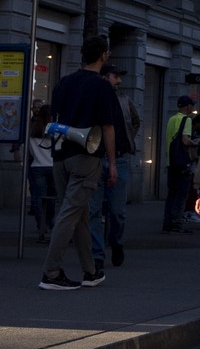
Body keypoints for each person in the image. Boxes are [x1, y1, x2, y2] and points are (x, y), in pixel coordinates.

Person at [40, 35, 118, 291]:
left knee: (79, 214)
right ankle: (51, 272)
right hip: (87, 156)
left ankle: (91, 271)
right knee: (70, 214)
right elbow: (107, 126)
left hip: (60, 156)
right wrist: (113, 163)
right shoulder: (102, 86)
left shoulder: (63, 82)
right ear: (104, 56)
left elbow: (55, 118)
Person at [91, 64, 139, 267]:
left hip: (120, 158)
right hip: (95, 158)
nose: (119, 80)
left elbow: (136, 121)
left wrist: (127, 140)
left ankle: (116, 242)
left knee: (116, 210)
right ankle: (97, 254)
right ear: (104, 77)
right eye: (115, 76)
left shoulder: (124, 100)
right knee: (93, 210)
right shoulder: (94, 98)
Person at [162, 94, 197, 233]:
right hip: (182, 163)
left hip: (171, 162)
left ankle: (167, 223)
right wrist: (194, 143)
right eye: (192, 105)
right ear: (187, 106)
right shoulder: (186, 120)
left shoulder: (171, 119)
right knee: (181, 195)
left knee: (171, 194)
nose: (193, 107)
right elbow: (185, 140)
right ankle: (177, 223)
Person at [24, 101, 56, 245]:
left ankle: (41, 228)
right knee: (52, 198)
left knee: (38, 199)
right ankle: (51, 224)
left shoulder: (32, 130)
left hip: (37, 166)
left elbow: (30, 152)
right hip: (52, 167)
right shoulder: (55, 130)